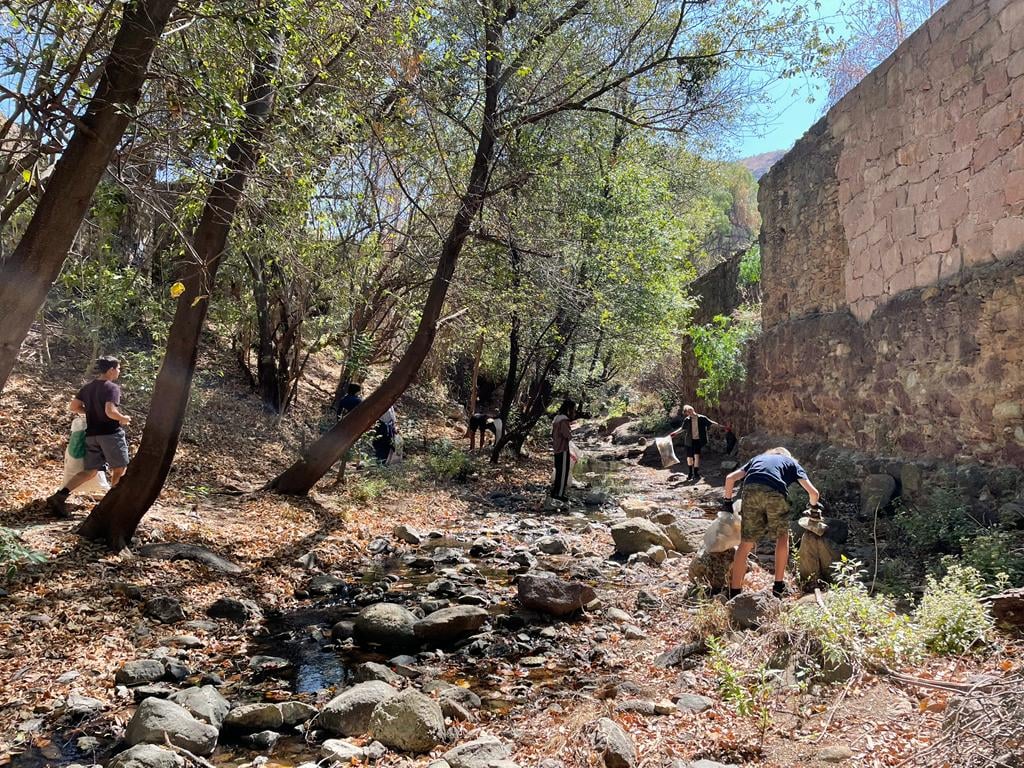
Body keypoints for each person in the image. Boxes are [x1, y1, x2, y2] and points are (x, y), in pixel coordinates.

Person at [721, 447, 821, 599]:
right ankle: (778, 586)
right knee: (782, 538)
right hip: (775, 493)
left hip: (750, 491)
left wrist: (727, 503)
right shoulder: (791, 463)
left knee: (746, 543)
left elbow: (730, 478)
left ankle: (735, 592)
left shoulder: (757, 459)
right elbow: (814, 493)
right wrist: (814, 508)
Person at [45, 356, 131, 516]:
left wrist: (90, 412)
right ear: (111, 369)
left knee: (90, 470)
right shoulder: (112, 388)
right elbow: (110, 411)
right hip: (110, 434)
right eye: (118, 368)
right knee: (119, 468)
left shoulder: (88, 387)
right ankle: (111, 504)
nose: (119, 371)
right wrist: (123, 418)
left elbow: (74, 406)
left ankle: (60, 496)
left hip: (92, 435)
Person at [669, 405, 718, 481]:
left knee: (697, 456)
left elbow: (711, 423)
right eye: (687, 412)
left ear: (693, 410)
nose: (689, 413)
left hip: (698, 440)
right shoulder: (687, 420)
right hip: (689, 440)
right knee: (689, 457)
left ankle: (696, 473)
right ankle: (690, 473)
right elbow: (682, 428)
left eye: (690, 410)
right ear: (686, 413)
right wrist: (674, 433)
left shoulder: (702, 418)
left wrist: (721, 426)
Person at [549, 399, 576, 506]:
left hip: (556, 448)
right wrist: (570, 435)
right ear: (569, 409)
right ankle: (559, 494)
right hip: (563, 448)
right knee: (563, 472)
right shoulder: (564, 420)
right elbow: (566, 434)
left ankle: (555, 492)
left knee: (559, 470)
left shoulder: (556, 419)